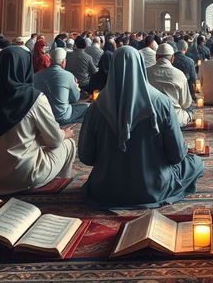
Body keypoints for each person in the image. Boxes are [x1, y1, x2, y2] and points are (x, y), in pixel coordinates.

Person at [78, 46, 203, 209]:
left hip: (105, 188)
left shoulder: (97, 107)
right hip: (152, 187)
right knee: (196, 162)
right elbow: (176, 155)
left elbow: (86, 156)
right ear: (141, 67)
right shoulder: (160, 102)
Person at [0, 47, 75, 196]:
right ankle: (56, 188)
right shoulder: (33, 98)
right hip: (21, 177)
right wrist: (64, 134)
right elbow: (54, 141)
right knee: (68, 144)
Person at [33, 48, 87, 125]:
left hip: (42, 116)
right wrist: (76, 86)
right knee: (85, 107)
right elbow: (75, 98)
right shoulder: (68, 75)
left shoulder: (37, 75)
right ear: (63, 62)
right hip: (60, 117)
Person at [146, 44, 193, 127]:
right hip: (174, 119)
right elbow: (185, 103)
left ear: (156, 57)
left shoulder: (146, 72)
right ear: (172, 58)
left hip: (152, 119)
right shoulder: (179, 74)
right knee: (190, 110)